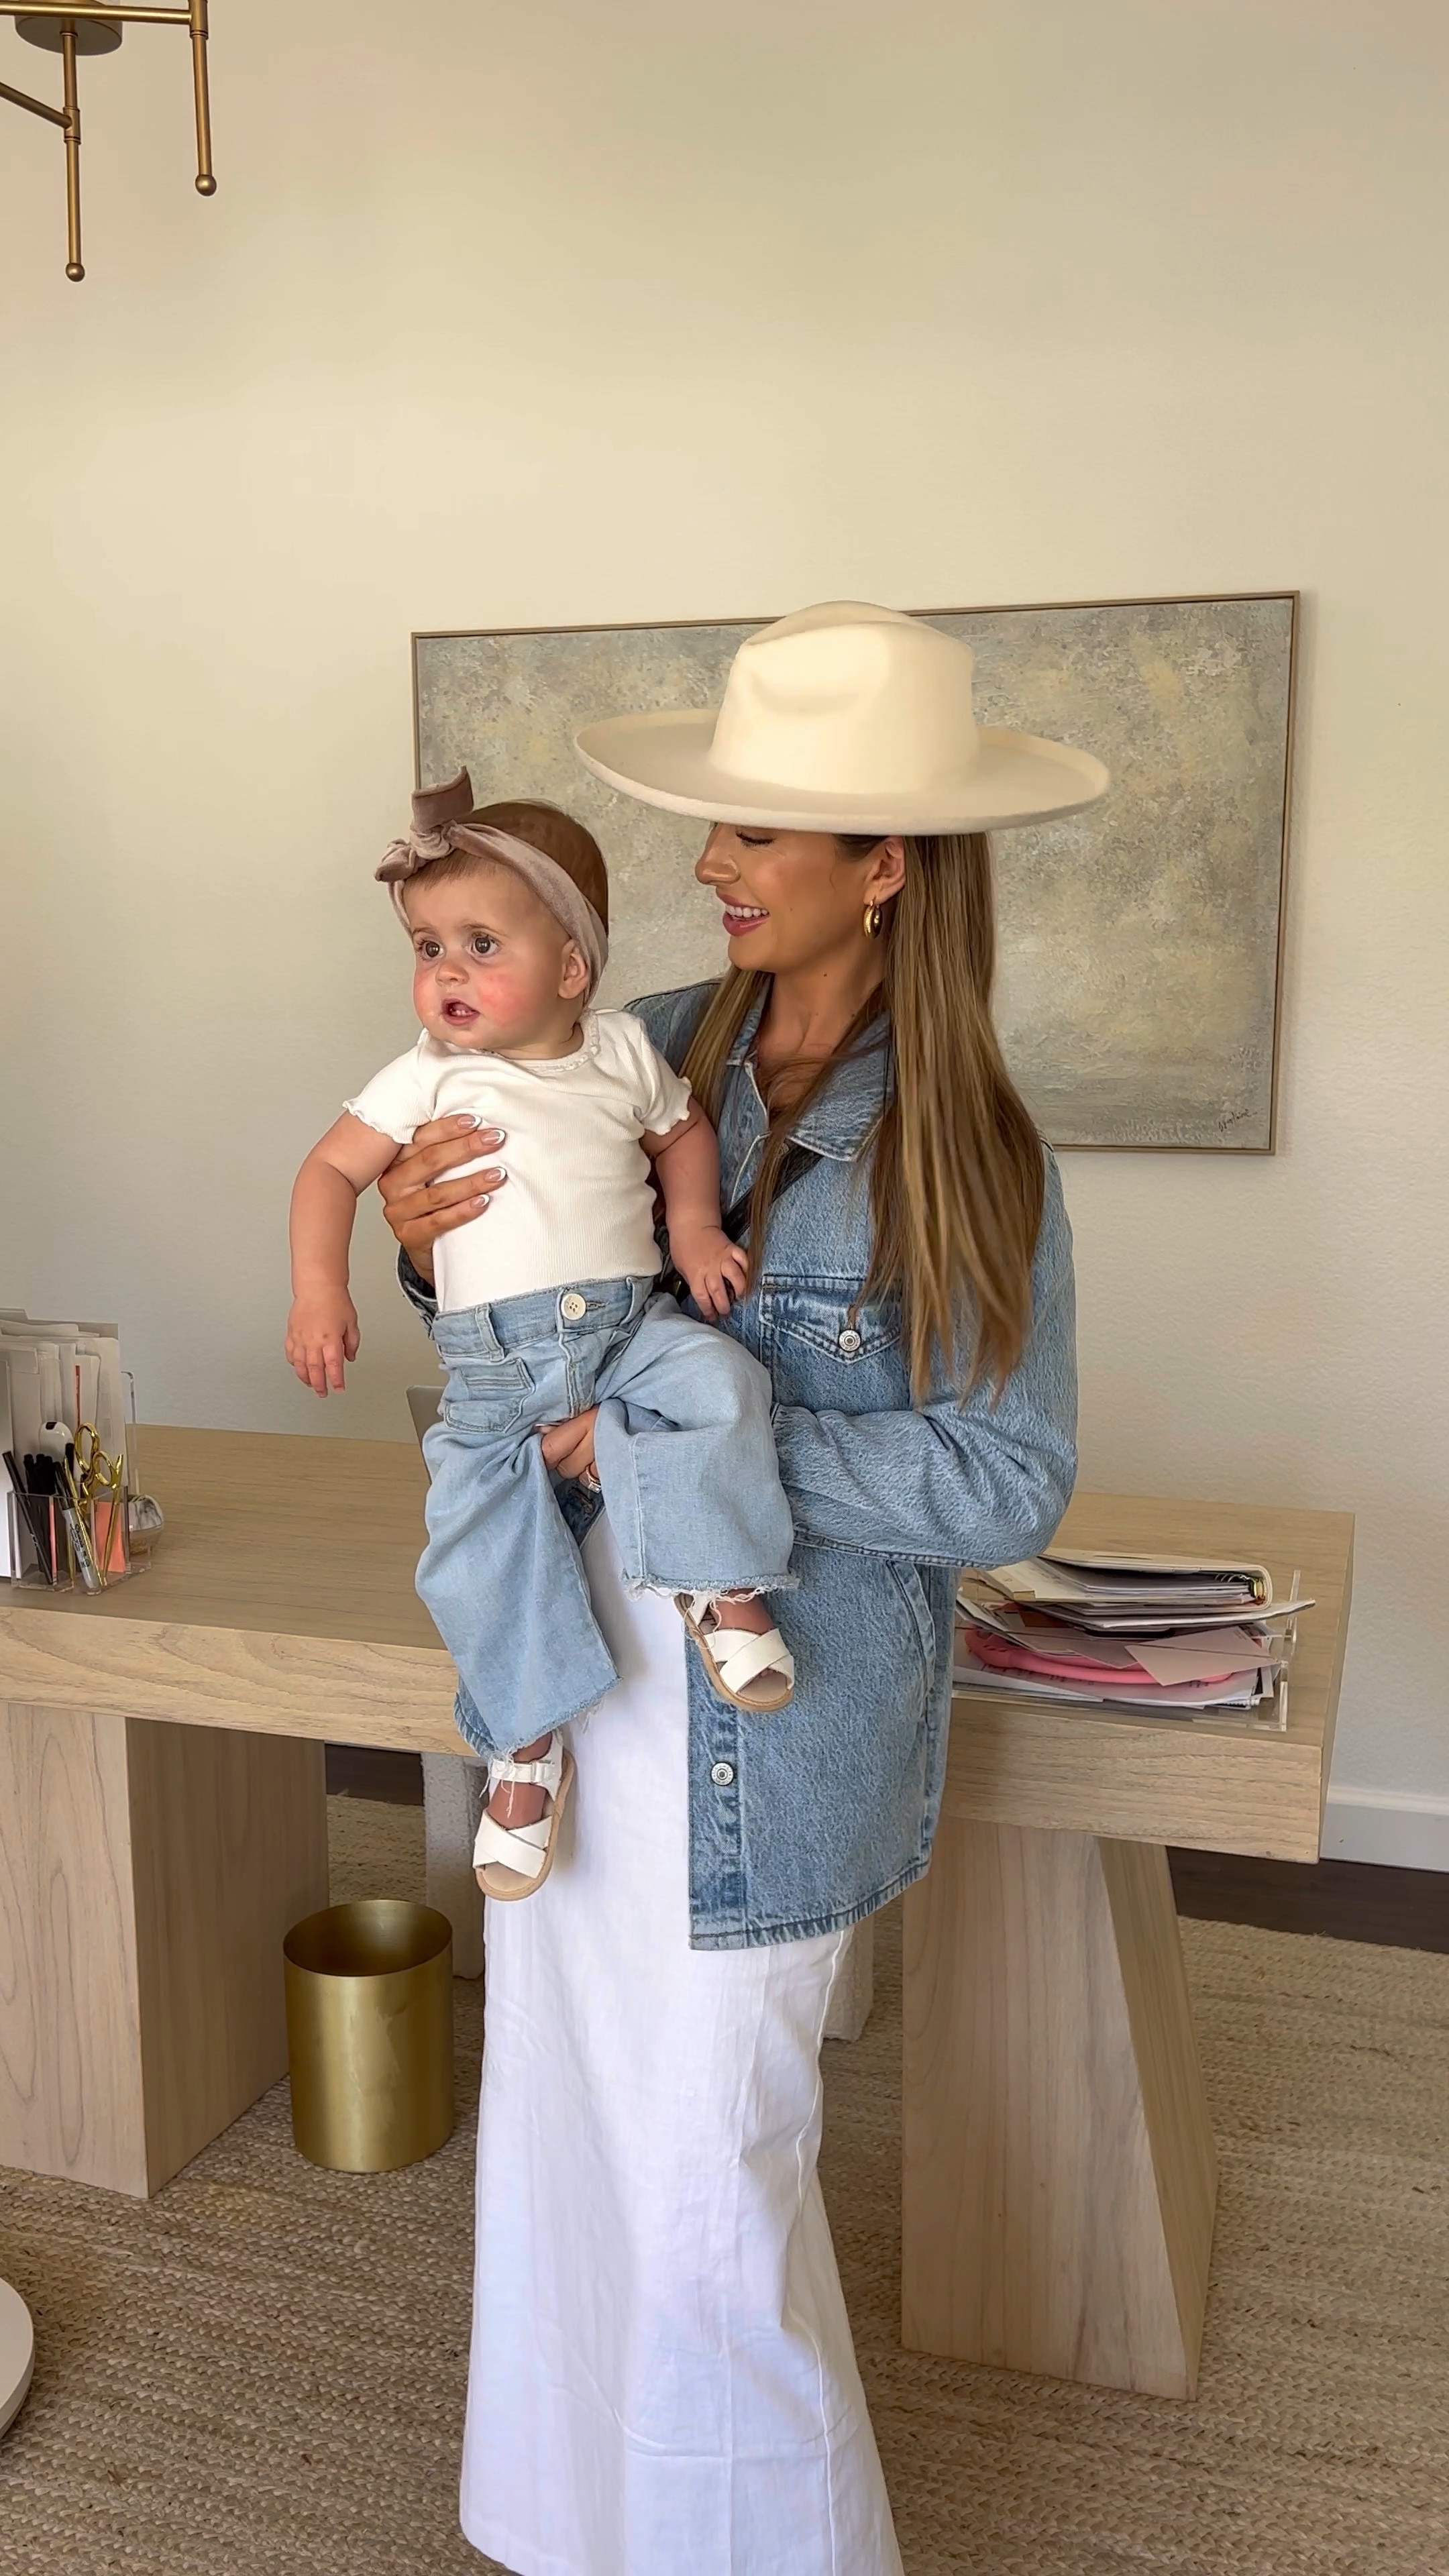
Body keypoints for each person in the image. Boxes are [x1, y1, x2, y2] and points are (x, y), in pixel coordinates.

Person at [377, 602, 1105, 2574]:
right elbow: (514, 1303)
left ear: (887, 867)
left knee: (709, 2205)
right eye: (709, 826)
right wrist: (427, 1250)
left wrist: (694, 1449)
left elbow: (1001, 1475)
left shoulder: (969, 1143)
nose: (706, 864)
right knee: (567, 2163)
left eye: (754, 831)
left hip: (759, 1741)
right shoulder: (630, 1041)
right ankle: (568, 2535)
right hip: (567, 1695)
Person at [285, 775, 796, 1898]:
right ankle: (524, 1747)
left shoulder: (620, 1051)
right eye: (427, 946)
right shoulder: (424, 1074)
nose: (446, 973)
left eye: (479, 942)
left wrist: (700, 1228)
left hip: (627, 1328)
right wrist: (323, 1289)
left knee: (719, 1382)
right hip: (493, 1372)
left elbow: (682, 1133)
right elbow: (329, 1170)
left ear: (571, 967)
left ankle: (721, 1584)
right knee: (472, 1547)